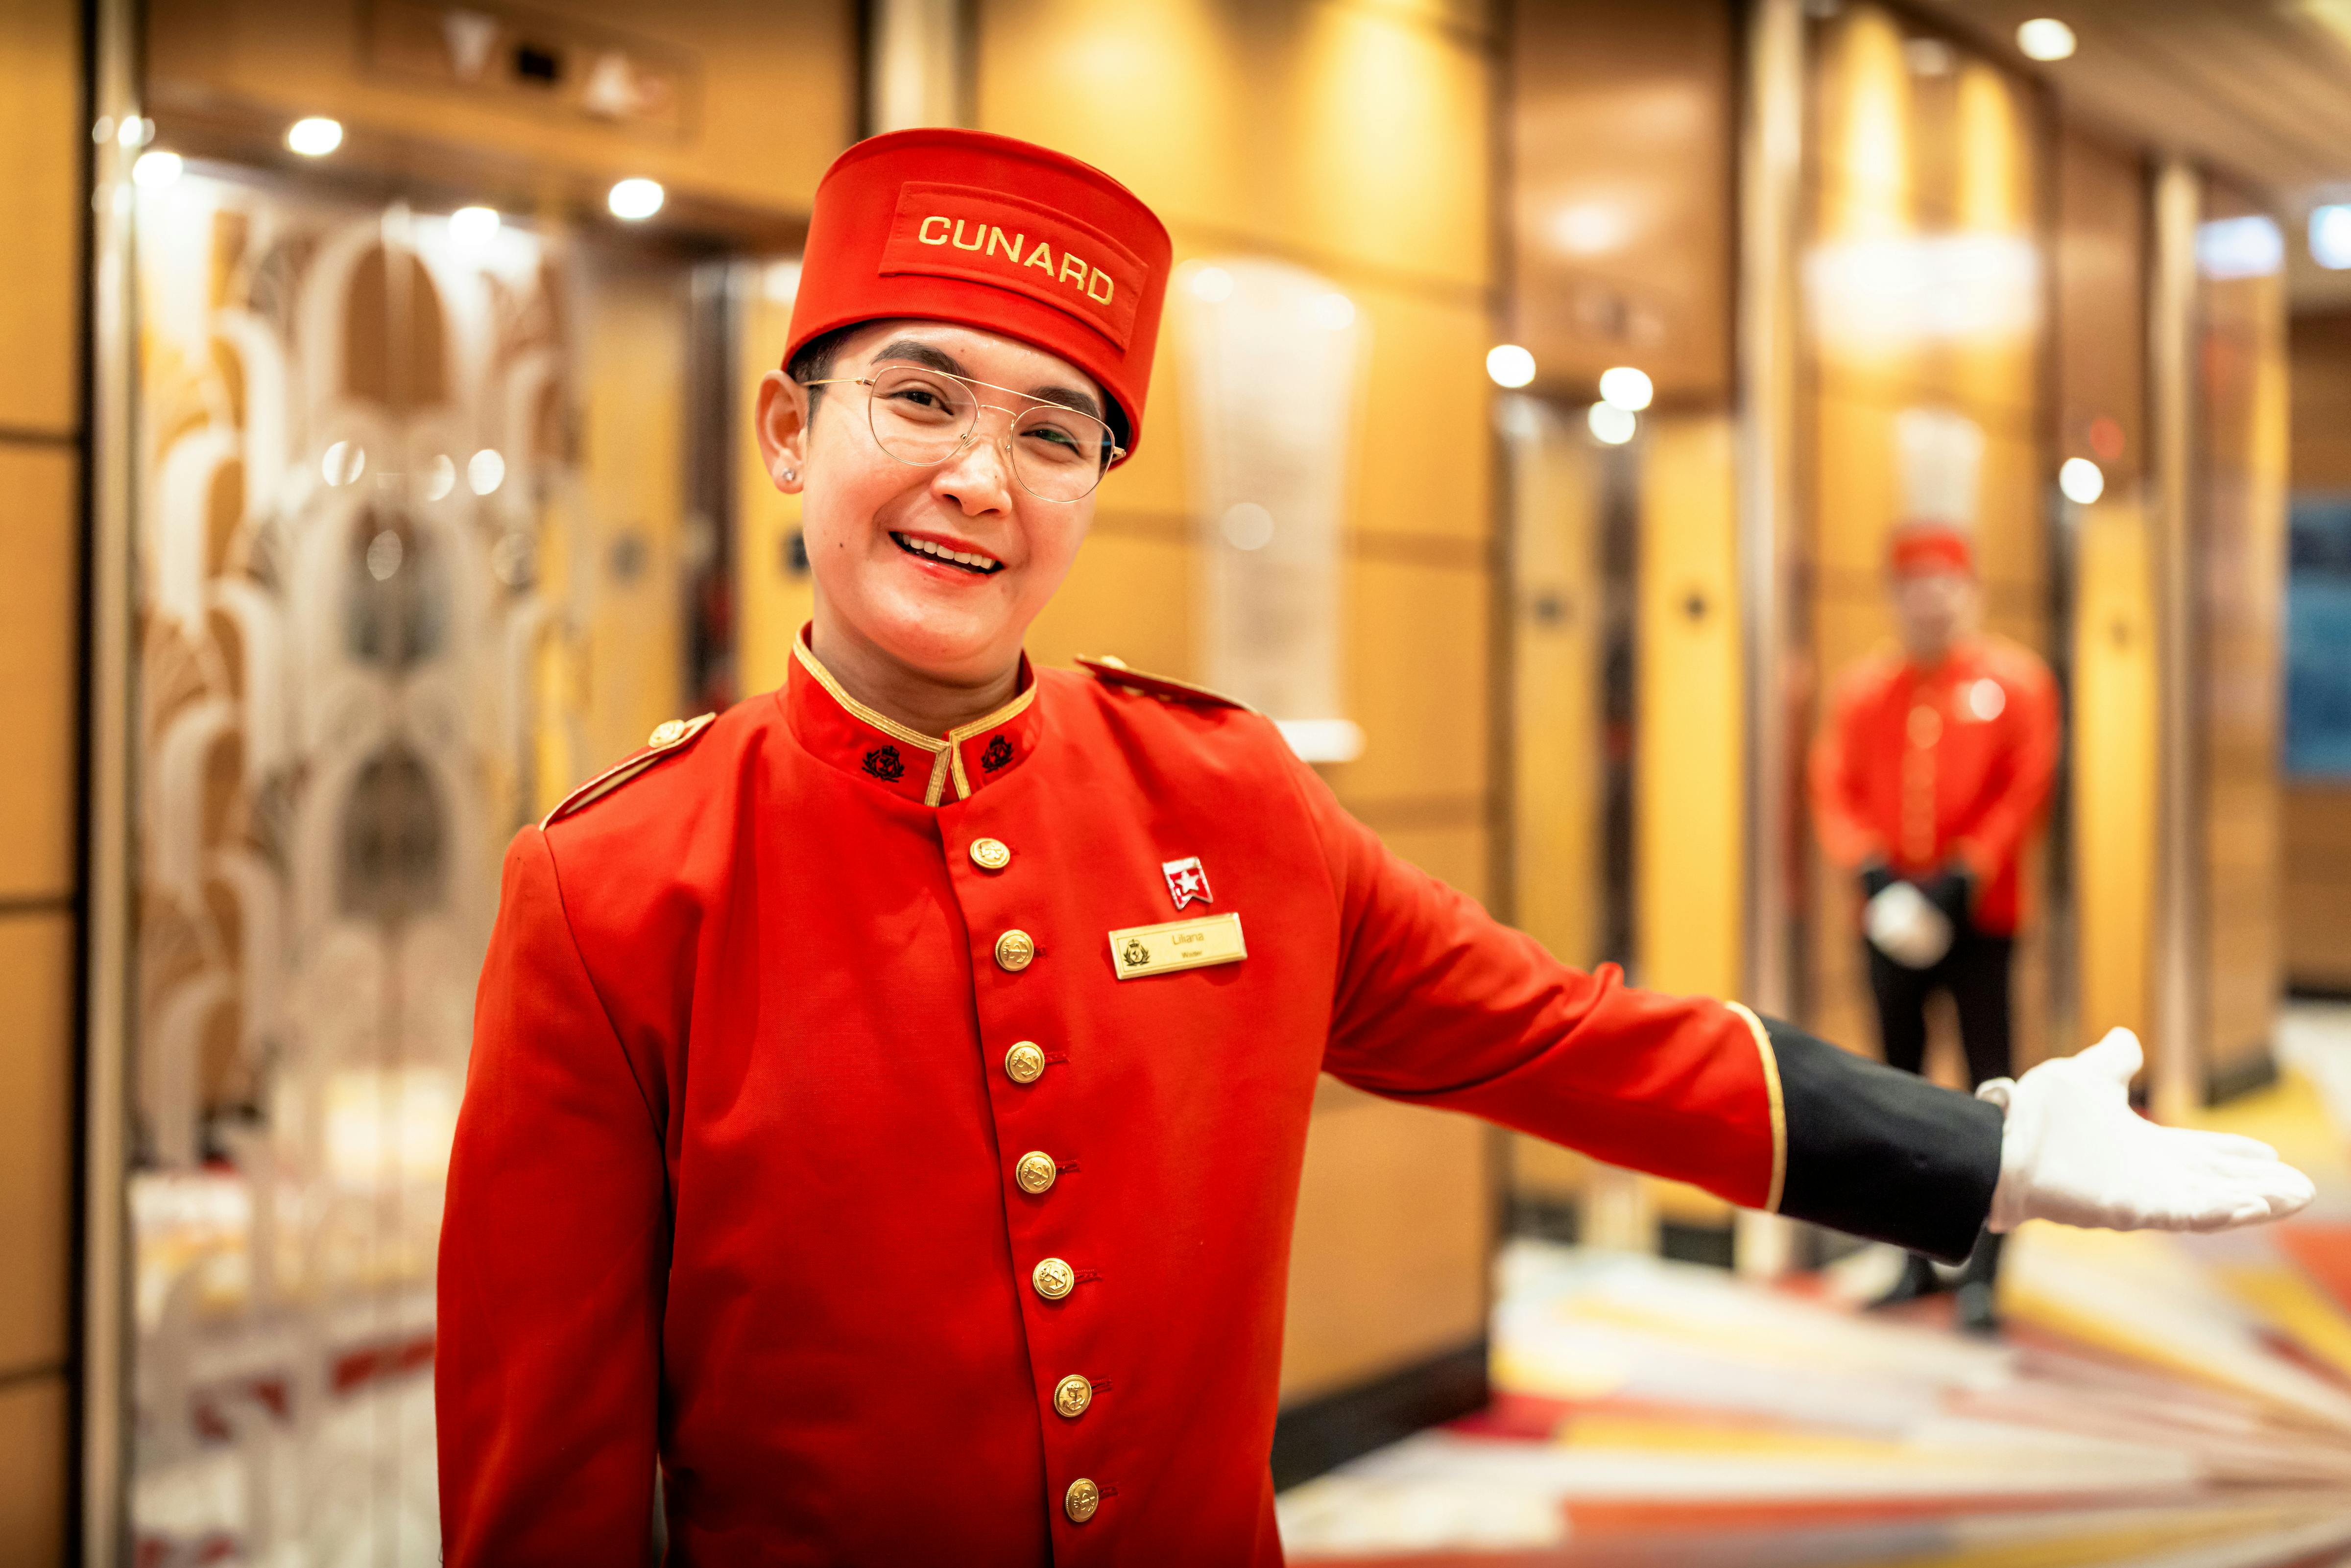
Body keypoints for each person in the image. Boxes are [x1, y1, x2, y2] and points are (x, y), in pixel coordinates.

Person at [436, 129, 2310, 1565]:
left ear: (1102, 481)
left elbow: (1568, 1038)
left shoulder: (1227, 807)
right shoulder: (614, 892)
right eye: (916, 397)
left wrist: (1980, 1151)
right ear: (787, 431)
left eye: (1054, 430)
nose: (978, 478)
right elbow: (545, 1486)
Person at [1809, 521, 2063, 1330]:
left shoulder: (2017, 683)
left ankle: (1987, 1269)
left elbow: (2026, 784)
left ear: (1971, 591)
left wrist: (1967, 871)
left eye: (1945, 584)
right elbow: (1833, 787)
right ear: (1894, 597)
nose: (1930, 601)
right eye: (1913, 586)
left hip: (1982, 919)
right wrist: (1870, 867)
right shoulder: (1864, 691)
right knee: (1896, 1089)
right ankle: (1915, 1258)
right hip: (1888, 920)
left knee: (1993, 1087)